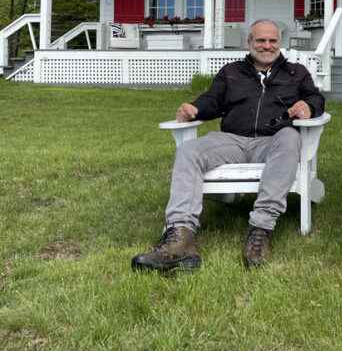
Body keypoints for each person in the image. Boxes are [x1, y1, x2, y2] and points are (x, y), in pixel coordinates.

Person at [132, 19, 325, 272]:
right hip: (232, 140)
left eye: (272, 41)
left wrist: (308, 106)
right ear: (250, 43)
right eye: (260, 40)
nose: (267, 46)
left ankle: (261, 229)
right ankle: (180, 238)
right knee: (189, 150)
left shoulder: (296, 73)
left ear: (279, 43)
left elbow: (315, 97)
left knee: (290, 137)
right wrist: (195, 108)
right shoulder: (231, 72)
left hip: (273, 140)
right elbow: (213, 100)